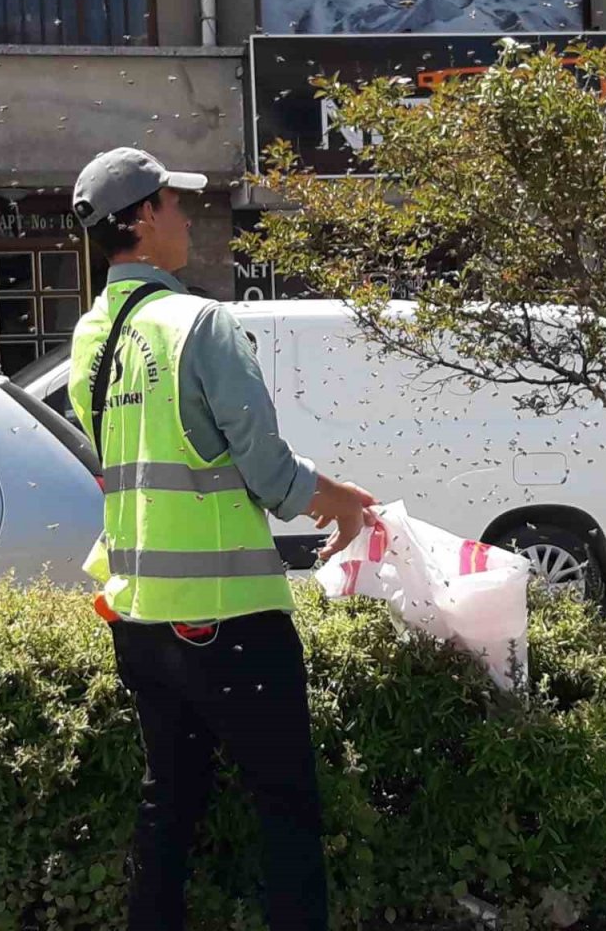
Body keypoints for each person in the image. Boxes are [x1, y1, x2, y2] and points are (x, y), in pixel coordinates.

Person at [66, 146, 375, 931]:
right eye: (174, 203)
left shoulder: (91, 338)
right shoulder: (199, 324)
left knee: (169, 805)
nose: (187, 216)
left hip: (139, 621)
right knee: (287, 814)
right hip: (229, 621)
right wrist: (341, 501)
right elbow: (267, 470)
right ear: (142, 219)